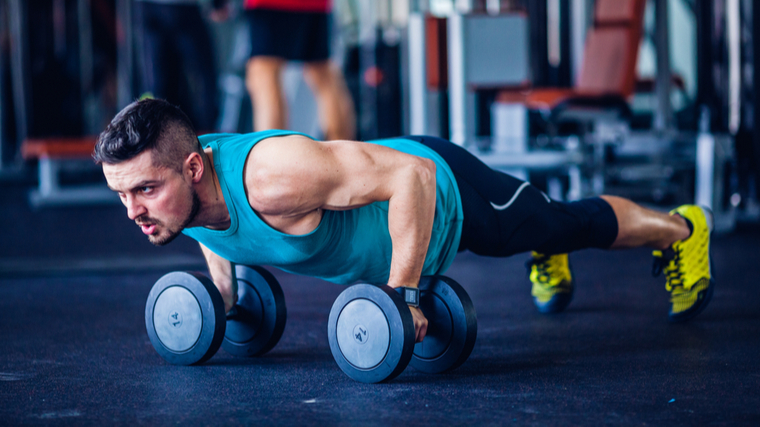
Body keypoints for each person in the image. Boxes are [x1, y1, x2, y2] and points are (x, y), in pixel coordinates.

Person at [94, 99, 715, 342]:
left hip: (439, 187)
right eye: (122, 195)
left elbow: (408, 180)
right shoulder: (182, 203)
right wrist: (225, 295)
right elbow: (210, 226)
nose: (134, 212)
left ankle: (684, 229)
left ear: (196, 169)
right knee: (548, 229)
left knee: (561, 225)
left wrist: (404, 296)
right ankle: (547, 249)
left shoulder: (272, 176)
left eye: (144, 190)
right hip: (395, 196)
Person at [240, 0, 356, 139]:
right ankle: (344, 154)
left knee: (264, 72)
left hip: (269, 4)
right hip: (315, 5)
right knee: (323, 73)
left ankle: (273, 157)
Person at [133, 0, 229, 132]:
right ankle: (206, 137)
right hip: (182, 7)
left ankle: (167, 135)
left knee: (161, 84)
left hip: (148, 7)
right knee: (203, 77)